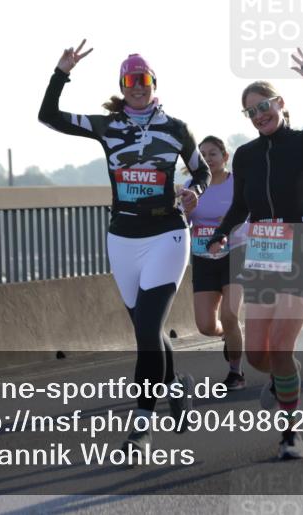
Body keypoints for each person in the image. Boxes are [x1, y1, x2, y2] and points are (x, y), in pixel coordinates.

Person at [38, 42, 209, 456]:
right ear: (122, 85)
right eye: (131, 81)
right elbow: (49, 117)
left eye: (144, 80)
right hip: (122, 238)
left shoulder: (176, 128)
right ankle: (175, 389)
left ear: (154, 84)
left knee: (148, 330)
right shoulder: (107, 126)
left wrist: (194, 190)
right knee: (147, 332)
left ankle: (141, 427)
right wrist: (62, 71)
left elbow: (200, 168)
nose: (138, 87)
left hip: (167, 234)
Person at [207, 46, 303, 461]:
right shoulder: (248, 156)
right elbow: (240, 207)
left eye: (264, 106)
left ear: (280, 104)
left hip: (302, 246)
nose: (259, 115)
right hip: (263, 251)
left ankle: (290, 433)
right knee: (259, 356)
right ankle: (283, 378)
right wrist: (220, 233)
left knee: (282, 349)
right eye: (250, 112)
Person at [185, 135, 246, 391]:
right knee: (206, 326)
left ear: (225, 157)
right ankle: (227, 336)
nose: (208, 159)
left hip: (235, 253)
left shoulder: (238, 183)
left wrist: (229, 222)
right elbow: (184, 222)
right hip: (203, 258)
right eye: (203, 155)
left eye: (213, 153)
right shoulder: (192, 185)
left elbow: (251, 214)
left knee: (231, 316)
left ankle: (236, 372)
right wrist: (186, 212)